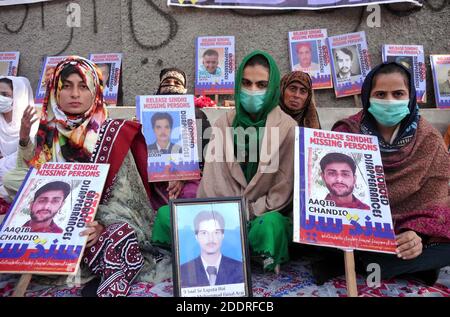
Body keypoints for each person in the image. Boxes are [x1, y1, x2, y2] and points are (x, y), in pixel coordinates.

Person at [3, 56, 166, 297]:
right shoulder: (46, 134)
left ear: (95, 92)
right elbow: (24, 185)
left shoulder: (112, 134)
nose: (74, 94)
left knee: (119, 236)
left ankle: (106, 279)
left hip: (93, 233)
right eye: (66, 86)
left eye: (83, 86)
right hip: (55, 230)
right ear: (55, 92)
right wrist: (26, 141)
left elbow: (130, 202)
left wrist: (100, 225)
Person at [332, 62, 450, 285]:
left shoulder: (429, 140)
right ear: (367, 96)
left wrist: (418, 235)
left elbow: (437, 199)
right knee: (348, 251)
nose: (389, 101)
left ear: (411, 96)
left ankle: (402, 261)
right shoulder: (347, 133)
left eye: (398, 94)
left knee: (443, 244)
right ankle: (400, 265)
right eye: (380, 94)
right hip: (361, 233)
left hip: (410, 232)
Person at [197, 51, 297, 273]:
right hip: (225, 215)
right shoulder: (224, 123)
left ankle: (253, 255)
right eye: (246, 83)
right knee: (168, 217)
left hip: (263, 215)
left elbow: (283, 189)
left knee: (270, 226)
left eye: (261, 84)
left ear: (272, 88)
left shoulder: (287, 128)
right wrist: (228, 215)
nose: (253, 91)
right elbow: (214, 178)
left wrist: (249, 211)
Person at [148, 68, 205, 220]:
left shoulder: (197, 115)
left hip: (188, 177)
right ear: (159, 88)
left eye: (177, 83)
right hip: (155, 179)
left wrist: (182, 175)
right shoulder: (146, 115)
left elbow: (204, 153)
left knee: (192, 195)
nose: (171, 85)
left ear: (184, 90)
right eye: (167, 82)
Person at [180, 210, 244, 288]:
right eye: (204, 233)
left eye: (216, 232)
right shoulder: (183, 270)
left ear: (222, 235)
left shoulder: (239, 268)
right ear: (196, 237)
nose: (211, 239)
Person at [0, 76, 37, 202]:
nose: (1, 98)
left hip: (19, 175)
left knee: (10, 179)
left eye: (5, 94)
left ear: (18, 96)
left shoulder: (33, 124)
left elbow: (28, 162)